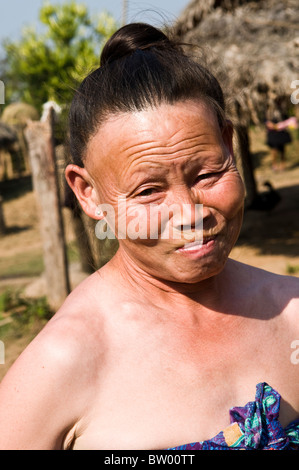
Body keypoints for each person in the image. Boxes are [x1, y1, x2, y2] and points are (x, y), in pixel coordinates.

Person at [0, 23, 299, 451]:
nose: (191, 212)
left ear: (229, 146)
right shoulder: (64, 363)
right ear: (88, 192)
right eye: (148, 191)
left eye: (209, 173)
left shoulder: (292, 312)